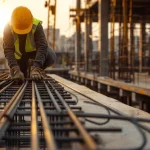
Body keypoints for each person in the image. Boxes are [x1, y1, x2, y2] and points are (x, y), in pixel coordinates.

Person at [3, 6, 56, 81]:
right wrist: (15, 68)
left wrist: (36, 67)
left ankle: (34, 68)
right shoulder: (8, 28)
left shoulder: (36, 25)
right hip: (19, 57)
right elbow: (8, 50)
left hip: (33, 52)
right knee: (19, 78)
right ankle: (25, 68)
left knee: (51, 57)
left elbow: (42, 46)